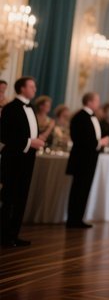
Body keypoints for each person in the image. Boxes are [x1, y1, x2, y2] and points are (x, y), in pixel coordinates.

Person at [0, 76, 46, 248]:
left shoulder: (31, 108)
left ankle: (14, 234)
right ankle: (4, 236)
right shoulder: (11, 108)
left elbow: (30, 132)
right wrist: (29, 142)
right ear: (22, 89)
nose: (35, 89)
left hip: (28, 158)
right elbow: (4, 135)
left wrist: (38, 141)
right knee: (10, 197)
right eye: (32, 86)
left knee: (21, 197)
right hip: (14, 159)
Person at [66, 91, 109, 229]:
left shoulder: (93, 117)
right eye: (97, 100)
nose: (99, 103)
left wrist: (100, 142)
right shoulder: (80, 117)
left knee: (84, 188)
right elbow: (80, 140)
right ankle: (73, 219)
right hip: (81, 159)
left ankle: (78, 218)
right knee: (78, 189)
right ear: (89, 102)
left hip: (90, 158)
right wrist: (100, 142)